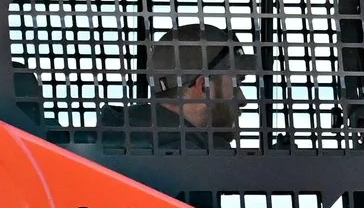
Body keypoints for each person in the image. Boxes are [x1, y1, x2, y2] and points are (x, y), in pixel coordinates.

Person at [93, 23, 252, 153]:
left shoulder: (109, 148)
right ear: (205, 87)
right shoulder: (191, 166)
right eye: (236, 83)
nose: (243, 100)